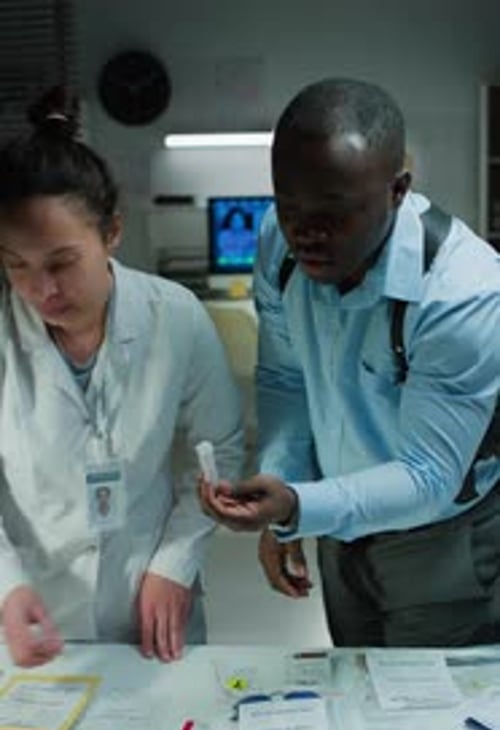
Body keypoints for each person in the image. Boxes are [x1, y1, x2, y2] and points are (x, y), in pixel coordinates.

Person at [200, 77, 500, 648]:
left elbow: (430, 475)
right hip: (341, 532)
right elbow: (286, 377)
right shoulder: (276, 243)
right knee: (359, 705)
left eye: (336, 211)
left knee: (436, 724)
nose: (307, 233)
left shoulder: (461, 292)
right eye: (290, 207)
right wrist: (287, 485)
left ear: (398, 190)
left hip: (438, 541)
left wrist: (300, 505)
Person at [0, 87, 243, 667]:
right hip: (34, 617)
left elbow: (221, 451)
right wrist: (8, 585)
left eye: (61, 263)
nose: (43, 292)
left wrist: (174, 564)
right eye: (16, 267)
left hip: (149, 601)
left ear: (111, 232)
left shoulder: (175, 316)